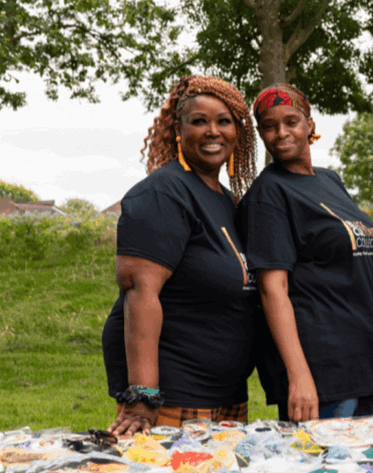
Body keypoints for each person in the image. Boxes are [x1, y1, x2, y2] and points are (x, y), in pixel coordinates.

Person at [102, 75, 259, 436]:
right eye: (199, 121)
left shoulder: (224, 200)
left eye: (224, 121)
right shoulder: (164, 193)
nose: (213, 131)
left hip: (226, 394)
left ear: (238, 131)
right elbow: (140, 292)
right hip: (174, 397)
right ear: (178, 129)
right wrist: (142, 397)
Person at [239, 83, 373, 423]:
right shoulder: (270, 192)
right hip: (320, 374)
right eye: (269, 125)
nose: (281, 133)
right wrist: (299, 376)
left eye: (291, 121)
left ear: (309, 125)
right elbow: (272, 290)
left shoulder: (330, 181)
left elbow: (355, 279)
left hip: (361, 364)